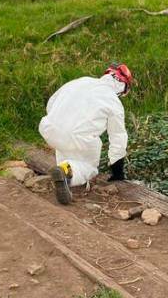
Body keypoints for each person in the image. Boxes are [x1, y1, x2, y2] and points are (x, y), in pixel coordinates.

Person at [39, 63, 133, 204]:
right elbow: (118, 137)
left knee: (66, 147)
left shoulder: (82, 81)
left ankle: (64, 174)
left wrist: (59, 122)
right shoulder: (114, 102)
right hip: (77, 138)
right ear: (123, 87)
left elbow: (52, 102)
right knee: (89, 167)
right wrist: (117, 171)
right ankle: (65, 171)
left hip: (49, 127)